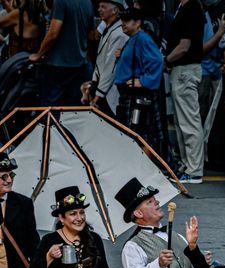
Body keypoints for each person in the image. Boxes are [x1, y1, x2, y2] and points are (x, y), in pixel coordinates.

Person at [113, 7, 166, 157]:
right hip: (128, 93)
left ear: (138, 23)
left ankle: (144, 166)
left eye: (127, 20)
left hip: (138, 94)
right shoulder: (134, 39)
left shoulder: (143, 39)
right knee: (134, 131)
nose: (123, 24)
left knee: (141, 132)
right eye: (122, 20)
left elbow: (157, 61)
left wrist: (143, 81)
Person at [165, 0, 206, 183]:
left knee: (189, 120)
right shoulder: (184, 7)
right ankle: (187, 164)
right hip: (182, 69)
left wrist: (166, 60)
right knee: (183, 121)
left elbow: (184, 45)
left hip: (185, 69)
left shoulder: (191, 7)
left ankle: (194, 169)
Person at [29, 0, 92, 107]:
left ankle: (50, 124)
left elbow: (53, 33)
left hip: (58, 64)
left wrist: (38, 54)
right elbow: (91, 34)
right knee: (73, 108)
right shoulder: (88, 2)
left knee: (50, 107)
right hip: (81, 64)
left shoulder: (61, 1)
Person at [85, 0, 126, 113]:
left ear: (115, 10)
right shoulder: (109, 29)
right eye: (99, 6)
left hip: (110, 91)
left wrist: (99, 94)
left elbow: (110, 67)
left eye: (103, 7)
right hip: (103, 87)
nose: (99, 10)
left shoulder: (119, 33)